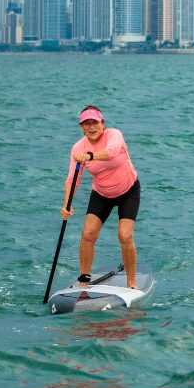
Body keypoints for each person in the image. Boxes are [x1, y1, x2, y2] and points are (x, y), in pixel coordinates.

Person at [61, 105, 142, 289]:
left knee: (125, 235)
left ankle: (132, 283)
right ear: (81, 127)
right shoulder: (78, 147)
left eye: (94, 122)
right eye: (86, 123)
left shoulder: (114, 135)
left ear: (102, 123)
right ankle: (83, 280)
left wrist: (89, 156)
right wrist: (67, 205)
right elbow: (72, 179)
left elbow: (111, 152)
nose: (91, 127)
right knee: (87, 234)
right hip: (101, 194)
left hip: (128, 191)